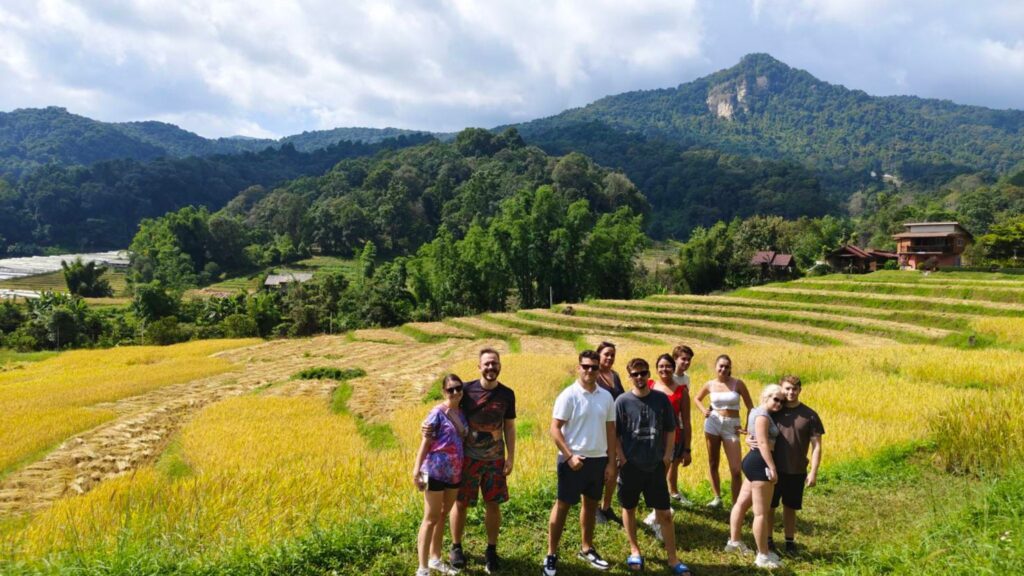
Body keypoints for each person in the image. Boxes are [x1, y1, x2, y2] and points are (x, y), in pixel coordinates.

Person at [427, 348, 516, 574]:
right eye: (486, 364)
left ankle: (491, 550)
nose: (490, 367)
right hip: (467, 460)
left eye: (494, 363)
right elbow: (447, 407)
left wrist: (511, 457)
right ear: (479, 367)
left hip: (495, 459)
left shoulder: (507, 394)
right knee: (461, 503)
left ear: (500, 366)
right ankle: (456, 547)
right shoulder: (465, 390)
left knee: (493, 504)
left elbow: (509, 426)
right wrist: (426, 423)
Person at [614, 358, 693, 575]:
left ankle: (673, 558)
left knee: (665, 513)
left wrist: (668, 455)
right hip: (631, 466)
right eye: (635, 374)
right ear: (629, 376)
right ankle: (634, 550)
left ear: (649, 375)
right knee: (629, 508)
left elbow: (671, 428)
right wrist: (622, 457)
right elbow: (616, 434)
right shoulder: (622, 401)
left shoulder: (661, 399)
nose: (639, 377)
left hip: (655, 465)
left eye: (643, 373)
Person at [542, 350, 617, 576]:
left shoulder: (606, 396)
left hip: (598, 460)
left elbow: (611, 430)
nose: (590, 371)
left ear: (598, 369)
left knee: (591, 505)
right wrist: (569, 456)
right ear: (578, 368)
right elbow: (555, 428)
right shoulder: (569, 395)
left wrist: (611, 462)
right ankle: (551, 554)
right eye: (585, 366)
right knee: (563, 505)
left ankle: (587, 548)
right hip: (573, 460)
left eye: (594, 367)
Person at [725, 385, 786, 570]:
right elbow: (761, 442)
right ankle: (763, 555)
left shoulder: (756, 412)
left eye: (782, 401)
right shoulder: (762, 415)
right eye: (776, 399)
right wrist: (772, 467)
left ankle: (734, 542)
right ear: (766, 397)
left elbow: (754, 436)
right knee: (761, 513)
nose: (779, 403)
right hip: (760, 463)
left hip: (753, 461)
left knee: (742, 503)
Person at [414, 375, 469, 576]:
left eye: (458, 388)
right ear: (443, 392)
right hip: (434, 471)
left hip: (454, 473)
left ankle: (435, 559)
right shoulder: (437, 413)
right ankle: (422, 568)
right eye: (450, 390)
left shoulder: (463, 414)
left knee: (443, 514)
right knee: (430, 518)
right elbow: (425, 443)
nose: (455, 392)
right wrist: (416, 470)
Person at [767, 375, 824, 555]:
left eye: (794, 389)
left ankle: (789, 541)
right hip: (773, 469)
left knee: (790, 507)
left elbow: (816, 446)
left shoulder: (810, 415)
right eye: (787, 389)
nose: (790, 392)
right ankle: (768, 540)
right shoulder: (773, 410)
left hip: (797, 469)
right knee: (770, 506)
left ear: (800, 390)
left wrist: (813, 472)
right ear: (781, 389)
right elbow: (757, 430)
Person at [693, 354, 753, 508]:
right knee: (713, 462)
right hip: (712, 424)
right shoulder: (710, 384)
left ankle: (736, 504)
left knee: (736, 469)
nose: (723, 369)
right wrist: (703, 411)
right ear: (715, 367)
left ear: (730, 368)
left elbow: (750, 407)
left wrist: (747, 427)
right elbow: (696, 398)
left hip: (731, 426)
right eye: (721, 366)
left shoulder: (738, 384)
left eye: (727, 366)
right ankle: (717, 497)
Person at [644, 353, 690, 536]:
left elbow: (686, 421)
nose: (664, 369)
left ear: (673, 368)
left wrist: (687, 448)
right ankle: (656, 513)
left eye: (668, 366)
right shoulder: (650, 385)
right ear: (656, 369)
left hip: (672, 439)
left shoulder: (681, 391)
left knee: (660, 480)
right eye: (661, 366)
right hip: (649, 438)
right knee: (650, 478)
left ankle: (659, 517)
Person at [594, 341, 626, 526]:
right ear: (599, 355)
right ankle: (595, 506)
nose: (609, 358)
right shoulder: (594, 376)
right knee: (600, 469)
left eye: (612, 354)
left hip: (617, 427)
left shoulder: (615, 375)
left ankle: (606, 506)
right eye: (606, 354)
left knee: (615, 468)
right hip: (600, 428)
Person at [669, 345, 695, 506]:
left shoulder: (686, 379)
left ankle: (673, 491)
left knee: (676, 459)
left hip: (680, 423)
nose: (686, 362)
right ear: (675, 359)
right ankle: (669, 492)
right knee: (667, 459)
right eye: (683, 359)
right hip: (668, 425)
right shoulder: (667, 376)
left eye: (689, 359)